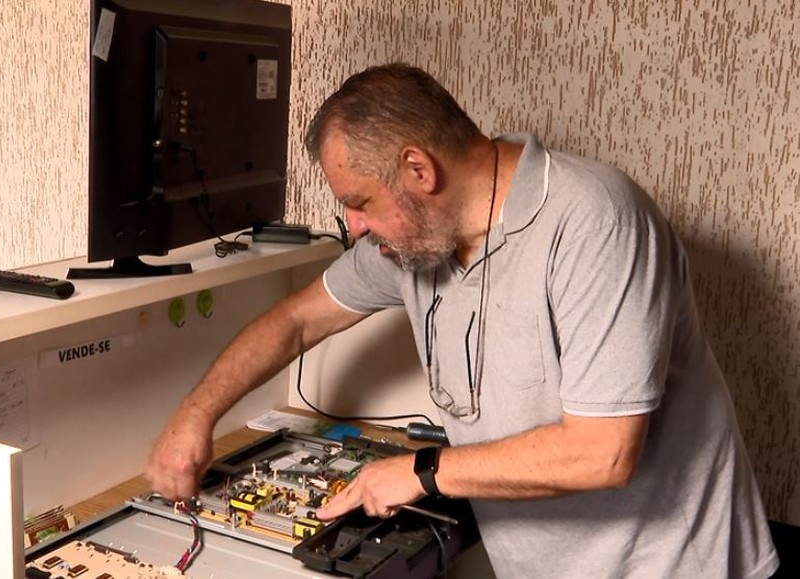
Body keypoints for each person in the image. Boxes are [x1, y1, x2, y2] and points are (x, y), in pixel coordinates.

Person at [147, 62, 779, 577]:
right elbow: (295, 321)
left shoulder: (596, 222)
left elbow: (603, 453)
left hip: (672, 566)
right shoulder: (417, 241)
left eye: (359, 203)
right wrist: (193, 416)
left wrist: (421, 472)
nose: (356, 228)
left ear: (419, 171)